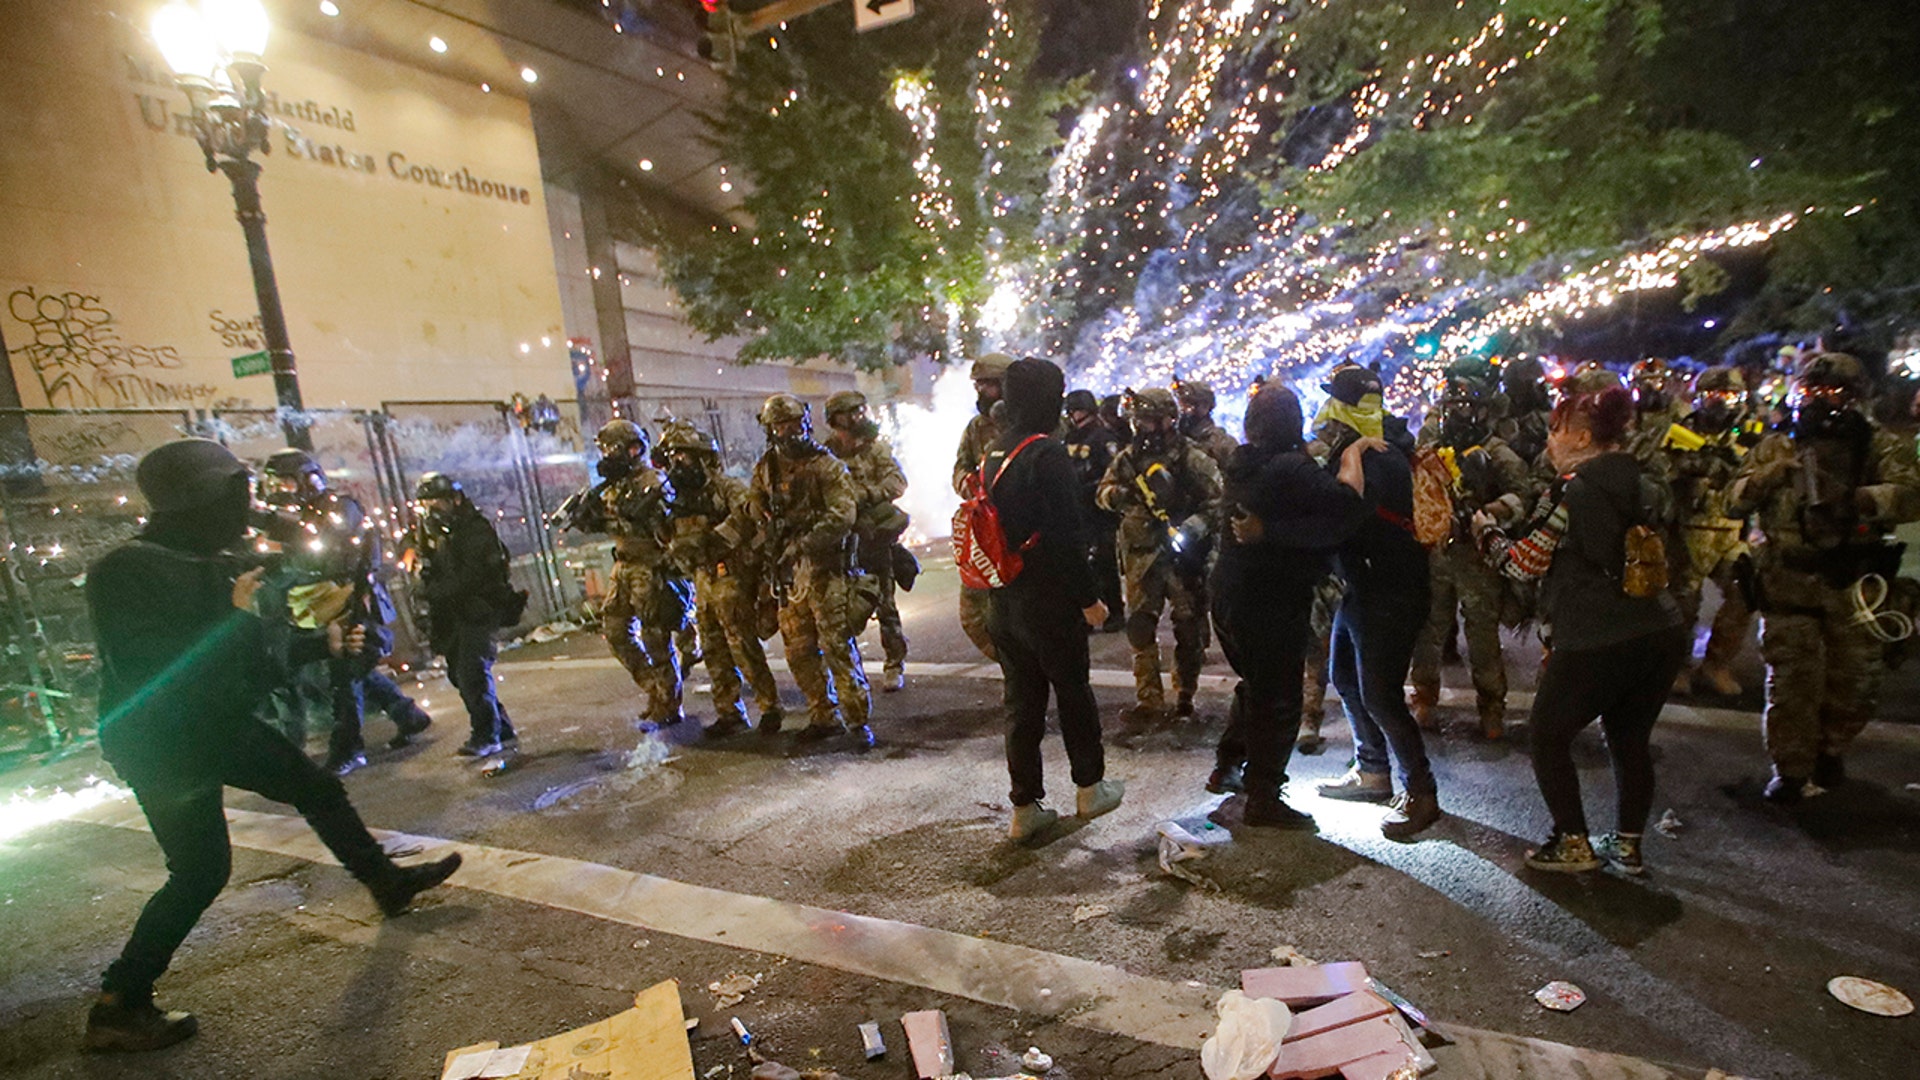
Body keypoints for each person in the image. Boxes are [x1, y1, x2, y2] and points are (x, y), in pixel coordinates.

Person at [84, 440, 460, 1052]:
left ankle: (384, 882)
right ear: (195, 500)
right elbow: (156, 671)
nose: (246, 510)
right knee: (201, 872)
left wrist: (324, 645)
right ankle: (119, 1003)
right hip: (161, 743)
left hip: (214, 724)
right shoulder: (126, 571)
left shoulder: (210, 560)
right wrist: (235, 618)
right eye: (233, 496)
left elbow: (249, 660)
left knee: (316, 787)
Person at [1475, 387, 1688, 873]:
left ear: (1582, 436)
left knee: (1547, 735)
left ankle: (1572, 842)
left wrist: (1486, 532)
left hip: (1597, 634)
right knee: (1630, 738)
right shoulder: (1645, 480)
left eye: (1556, 429)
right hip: (1660, 628)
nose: (1550, 439)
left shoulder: (1572, 489)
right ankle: (1628, 846)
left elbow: (1524, 562)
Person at [1725, 353, 1920, 802]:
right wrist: (1766, 479)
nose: (1821, 402)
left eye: (1834, 393)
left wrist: (1859, 500)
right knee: (1792, 684)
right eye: (1812, 392)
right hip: (1788, 581)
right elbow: (1731, 501)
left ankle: (1830, 750)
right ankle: (1790, 770)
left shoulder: (1880, 446)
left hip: (1854, 585)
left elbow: (1911, 495)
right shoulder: (1777, 446)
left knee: (1856, 683)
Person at [1209, 382, 1370, 828]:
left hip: (1229, 591)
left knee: (1256, 684)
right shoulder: (1292, 467)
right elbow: (1345, 507)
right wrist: (1353, 455)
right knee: (1278, 698)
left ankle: (1229, 764)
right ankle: (1264, 797)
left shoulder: (1242, 462)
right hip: (1270, 598)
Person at [981, 358, 1124, 842]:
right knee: (1072, 693)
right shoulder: (1047, 454)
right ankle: (1090, 787)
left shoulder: (993, 454)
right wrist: (1090, 599)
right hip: (1048, 601)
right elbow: (1065, 536)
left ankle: (1025, 807)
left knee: (1021, 704)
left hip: (1004, 600)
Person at [1310, 365, 1442, 838]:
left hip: (1390, 590)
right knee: (1345, 676)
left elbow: (1341, 512)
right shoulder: (1371, 448)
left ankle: (1421, 793)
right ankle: (1372, 770)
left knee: (1382, 696)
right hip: (1364, 587)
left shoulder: (1377, 457)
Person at [254, 449, 430, 776]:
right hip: (313, 604)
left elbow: (319, 548)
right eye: (276, 482)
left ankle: (348, 748)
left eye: (287, 482)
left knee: (345, 677)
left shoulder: (339, 508)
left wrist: (271, 524)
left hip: (350, 599)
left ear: (308, 478)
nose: (280, 489)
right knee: (355, 670)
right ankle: (408, 715)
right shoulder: (294, 514)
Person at [1410, 358, 1533, 737]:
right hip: (1438, 552)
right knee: (1429, 631)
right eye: (1450, 405)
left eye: (1464, 406)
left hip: (1478, 555)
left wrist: (1491, 511)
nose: (1456, 413)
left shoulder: (1497, 452)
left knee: (1481, 634)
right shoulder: (1431, 444)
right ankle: (1425, 698)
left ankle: (1492, 708)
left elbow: (1524, 495)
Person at [746, 394, 874, 749]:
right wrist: (765, 520)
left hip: (826, 571)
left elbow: (842, 515)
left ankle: (857, 720)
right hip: (790, 577)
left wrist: (803, 542)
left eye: (794, 423)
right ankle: (822, 715)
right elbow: (754, 501)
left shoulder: (826, 465)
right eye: (780, 425)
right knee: (799, 651)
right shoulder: (767, 468)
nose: (789, 431)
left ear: (805, 422)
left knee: (836, 647)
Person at [1097, 387, 1223, 719]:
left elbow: (1218, 500)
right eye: (1139, 422)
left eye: (1150, 421)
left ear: (1169, 420)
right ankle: (1149, 700)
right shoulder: (1128, 459)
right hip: (1141, 556)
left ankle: (1185, 694)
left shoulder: (1191, 457)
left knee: (1189, 629)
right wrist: (1121, 495)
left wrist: (1194, 526)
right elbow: (1102, 493)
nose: (1143, 428)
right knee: (1140, 629)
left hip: (1183, 559)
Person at [661, 419, 784, 737]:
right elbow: (668, 537)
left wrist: (712, 539)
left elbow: (748, 520)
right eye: (673, 457)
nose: (678, 464)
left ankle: (769, 707)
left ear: (703, 458)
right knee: (713, 647)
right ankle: (729, 711)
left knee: (742, 644)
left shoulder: (727, 488)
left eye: (684, 457)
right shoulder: (675, 497)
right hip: (702, 578)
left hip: (732, 575)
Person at [560, 420, 687, 728]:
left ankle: (669, 703)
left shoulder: (653, 481)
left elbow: (667, 523)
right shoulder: (613, 485)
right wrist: (587, 518)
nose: (607, 455)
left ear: (633, 449)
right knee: (616, 630)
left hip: (652, 565)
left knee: (655, 637)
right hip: (625, 564)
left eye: (612, 449)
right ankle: (655, 689)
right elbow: (607, 521)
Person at [411, 473, 521, 756]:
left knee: (472, 672)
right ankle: (501, 727)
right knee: (458, 675)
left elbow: (472, 576)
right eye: (427, 504)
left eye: (437, 502)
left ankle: (487, 735)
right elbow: (428, 566)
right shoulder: (431, 532)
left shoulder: (475, 529)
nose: (432, 510)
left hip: (479, 609)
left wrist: (434, 592)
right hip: (451, 614)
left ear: (454, 500)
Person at [1668, 366, 1759, 696]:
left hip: (1730, 533)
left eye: (1728, 396)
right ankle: (1677, 667)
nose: (1720, 403)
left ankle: (1716, 663)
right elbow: (1665, 472)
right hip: (1687, 533)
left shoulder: (1751, 436)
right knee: (1682, 605)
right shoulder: (1679, 433)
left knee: (1745, 593)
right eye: (1712, 396)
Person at [824, 390, 912, 691]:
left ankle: (893, 663)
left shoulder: (875, 450)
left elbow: (897, 482)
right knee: (841, 608)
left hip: (873, 537)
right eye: (852, 413)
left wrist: (866, 494)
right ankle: (849, 672)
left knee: (885, 605)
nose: (859, 418)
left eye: (861, 411)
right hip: (842, 540)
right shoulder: (826, 454)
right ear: (837, 419)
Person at [954, 352, 1013, 662]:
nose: (981, 392)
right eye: (977, 385)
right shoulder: (976, 428)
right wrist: (968, 483)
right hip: (987, 532)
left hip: (1022, 532)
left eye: (987, 385)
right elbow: (960, 467)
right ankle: (1013, 666)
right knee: (973, 616)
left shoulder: (1037, 421)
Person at [1062, 388, 1125, 631]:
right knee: (1083, 562)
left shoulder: (1103, 438)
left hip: (1099, 510)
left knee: (1104, 561)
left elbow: (1114, 471)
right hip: (1077, 511)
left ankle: (1115, 611)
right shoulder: (1069, 440)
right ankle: (1088, 612)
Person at [1175, 379, 1239, 469]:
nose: (1185, 410)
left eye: (1191, 405)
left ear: (1206, 406)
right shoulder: (1174, 440)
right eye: (1183, 404)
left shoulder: (1222, 443)